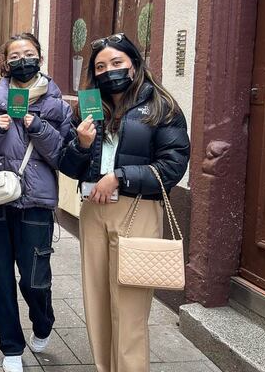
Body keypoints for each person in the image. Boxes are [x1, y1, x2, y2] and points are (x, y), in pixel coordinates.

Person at [59, 33, 190, 372]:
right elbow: (67, 164)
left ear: (133, 63)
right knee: (97, 303)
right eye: (100, 66)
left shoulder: (161, 106)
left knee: (130, 311)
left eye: (117, 63)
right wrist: (82, 144)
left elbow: (173, 165)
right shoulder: (89, 106)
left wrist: (121, 175)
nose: (109, 71)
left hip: (138, 210)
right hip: (93, 210)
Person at [0, 33, 72, 372]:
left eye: (30, 53)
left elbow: (64, 156)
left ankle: (43, 319)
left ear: (40, 57)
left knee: (35, 278)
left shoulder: (59, 107)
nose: (23, 60)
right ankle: (11, 346)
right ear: (5, 63)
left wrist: (37, 127)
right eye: (16, 55)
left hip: (36, 203)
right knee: (0, 276)